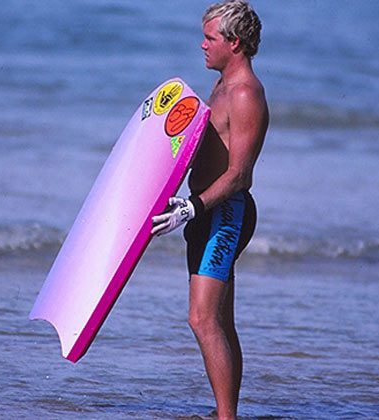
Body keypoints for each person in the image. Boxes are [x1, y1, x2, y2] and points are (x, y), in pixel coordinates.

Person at [151, 1, 268, 419]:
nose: (202, 45)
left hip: (225, 214)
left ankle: (225, 417)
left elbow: (240, 175)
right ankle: (227, 413)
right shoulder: (220, 86)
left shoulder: (244, 94)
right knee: (219, 320)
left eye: (210, 38)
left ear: (234, 43)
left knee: (202, 319)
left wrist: (190, 208)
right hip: (205, 212)